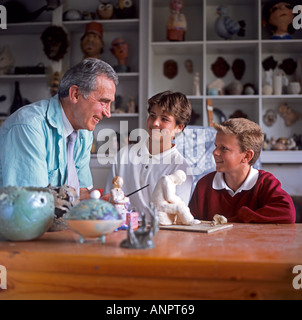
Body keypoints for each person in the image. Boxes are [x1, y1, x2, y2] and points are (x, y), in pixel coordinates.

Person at [0, 58, 118, 200]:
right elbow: (32, 205)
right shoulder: (28, 127)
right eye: (104, 102)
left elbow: (80, 193)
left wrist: (102, 204)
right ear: (75, 94)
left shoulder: (84, 132)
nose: (108, 113)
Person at [104, 90, 193, 221]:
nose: (155, 123)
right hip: (120, 230)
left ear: (179, 127)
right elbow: (108, 202)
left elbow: (176, 217)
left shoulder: (182, 168)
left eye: (164, 119)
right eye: (152, 115)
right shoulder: (124, 155)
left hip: (162, 234)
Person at [189, 118, 296, 223]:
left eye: (224, 148)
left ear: (247, 156)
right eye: (216, 146)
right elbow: (190, 224)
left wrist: (238, 218)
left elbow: (288, 213)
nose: (215, 152)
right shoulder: (204, 185)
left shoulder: (265, 183)